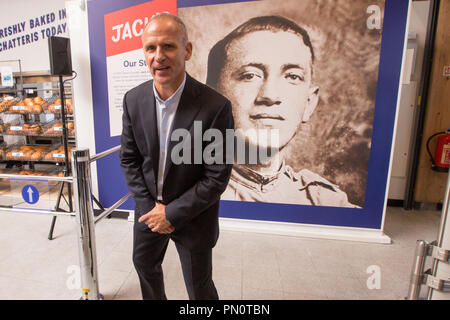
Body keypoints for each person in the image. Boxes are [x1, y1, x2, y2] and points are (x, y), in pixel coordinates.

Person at [119, 13, 234, 300]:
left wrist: (170, 213)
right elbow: (129, 160)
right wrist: (151, 210)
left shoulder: (216, 107)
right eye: (150, 48)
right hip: (147, 211)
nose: (159, 56)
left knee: (199, 287)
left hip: (193, 216)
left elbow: (216, 176)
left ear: (187, 50)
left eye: (168, 46)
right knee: (144, 265)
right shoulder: (133, 100)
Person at [206, 15, 357, 207]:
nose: (270, 95)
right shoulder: (180, 191)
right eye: (250, 75)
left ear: (309, 104)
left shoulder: (326, 201)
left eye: (292, 76)